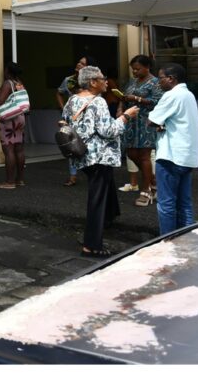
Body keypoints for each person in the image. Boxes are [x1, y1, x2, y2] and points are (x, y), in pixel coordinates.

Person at [62, 66, 138, 258]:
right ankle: (92, 245)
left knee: (106, 188)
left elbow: (64, 121)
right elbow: (108, 131)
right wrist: (126, 116)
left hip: (83, 155)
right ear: (93, 82)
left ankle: (109, 218)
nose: (106, 81)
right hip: (99, 156)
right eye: (103, 78)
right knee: (96, 200)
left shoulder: (72, 99)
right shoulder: (99, 102)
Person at [148, 63, 198, 235]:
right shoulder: (188, 95)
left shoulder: (172, 95)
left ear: (171, 79)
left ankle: (168, 243)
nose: (158, 83)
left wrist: (158, 122)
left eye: (160, 78)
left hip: (170, 156)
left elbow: (152, 120)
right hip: (187, 156)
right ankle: (187, 239)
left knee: (166, 203)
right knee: (184, 203)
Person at [118, 55, 163, 207]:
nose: (134, 72)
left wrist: (137, 99)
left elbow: (157, 102)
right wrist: (120, 108)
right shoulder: (132, 81)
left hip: (146, 122)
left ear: (147, 67)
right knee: (131, 153)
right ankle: (153, 181)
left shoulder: (155, 82)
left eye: (137, 69)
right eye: (133, 69)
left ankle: (146, 190)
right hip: (131, 122)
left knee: (144, 155)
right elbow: (124, 97)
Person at [0, 62, 26, 189]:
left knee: (8, 150)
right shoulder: (19, 83)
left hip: (9, 120)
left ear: (8, 71)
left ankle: (9, 182)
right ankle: (19, 180)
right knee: (19, 149)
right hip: (20, 117)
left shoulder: (8, 83)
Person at [56, 56, 95, 186]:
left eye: (83, 63)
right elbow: (59, 93)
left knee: (88, 143)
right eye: (79, 61)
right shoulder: (69, 80)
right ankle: (72, 176)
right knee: (71, 144)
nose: (79, 64)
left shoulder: (92, 81)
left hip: (87, 117)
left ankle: (92, 172)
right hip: (71, 117)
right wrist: (63, 109)